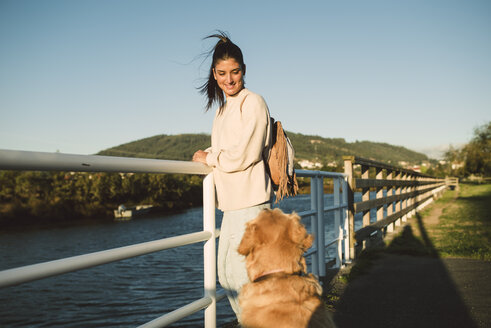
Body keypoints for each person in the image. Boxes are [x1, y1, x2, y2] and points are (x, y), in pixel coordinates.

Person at [192, 31, 272, 321]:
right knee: (227, 277)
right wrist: (208, 153)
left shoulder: (254, 102)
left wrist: (210, 157)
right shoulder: (223, 109)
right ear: (214, 74)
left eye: (235, 72)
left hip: (251, 205)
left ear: (244, 71)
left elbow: (244, 153)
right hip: (232, 206)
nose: (229, 79)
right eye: (223, 73)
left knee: (242, 279)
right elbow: (227, 148)